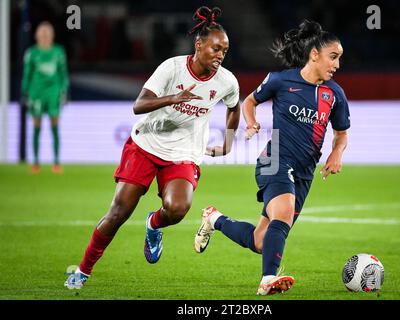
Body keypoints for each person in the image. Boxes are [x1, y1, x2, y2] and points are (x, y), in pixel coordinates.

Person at [64, 6, 240, 289]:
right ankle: (82, 272)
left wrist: (228, 144)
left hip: (183, 152)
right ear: (199, 45)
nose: (220, 55)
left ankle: (154, 225)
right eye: (215, 48)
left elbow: (234, 108)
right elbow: (139, 105)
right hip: (145, 145)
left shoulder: (226, 81)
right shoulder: (171, 68)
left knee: (178, 208)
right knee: (118, 213)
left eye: (225, 51)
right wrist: (172, 98)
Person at [194, 20, 350, 296]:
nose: (337, 65)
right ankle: (268, 279)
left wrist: (336, 152)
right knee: (284, 214)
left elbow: (341, 133)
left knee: (261, 241)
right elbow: (250, 101)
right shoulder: (281, 80)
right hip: (275, 159)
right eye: (333, 57)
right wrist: (251, 123)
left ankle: (214, 219)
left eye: (339, 59)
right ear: (315, 54)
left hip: (304, 173)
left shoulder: (334, 94)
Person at [21, 21, 69, 174]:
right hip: (36, 93)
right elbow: (27, 75)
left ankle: (56, 162)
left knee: (55, 126)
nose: (45, 36)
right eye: (42, 33)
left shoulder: (58, 52)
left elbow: (63, 74)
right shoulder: (32, 53)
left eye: (47, 33)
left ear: (52, 35)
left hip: (53, 93)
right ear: (37, 36)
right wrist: (25, 92)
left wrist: (64, 91)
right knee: (36, 126)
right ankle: (35, 162)